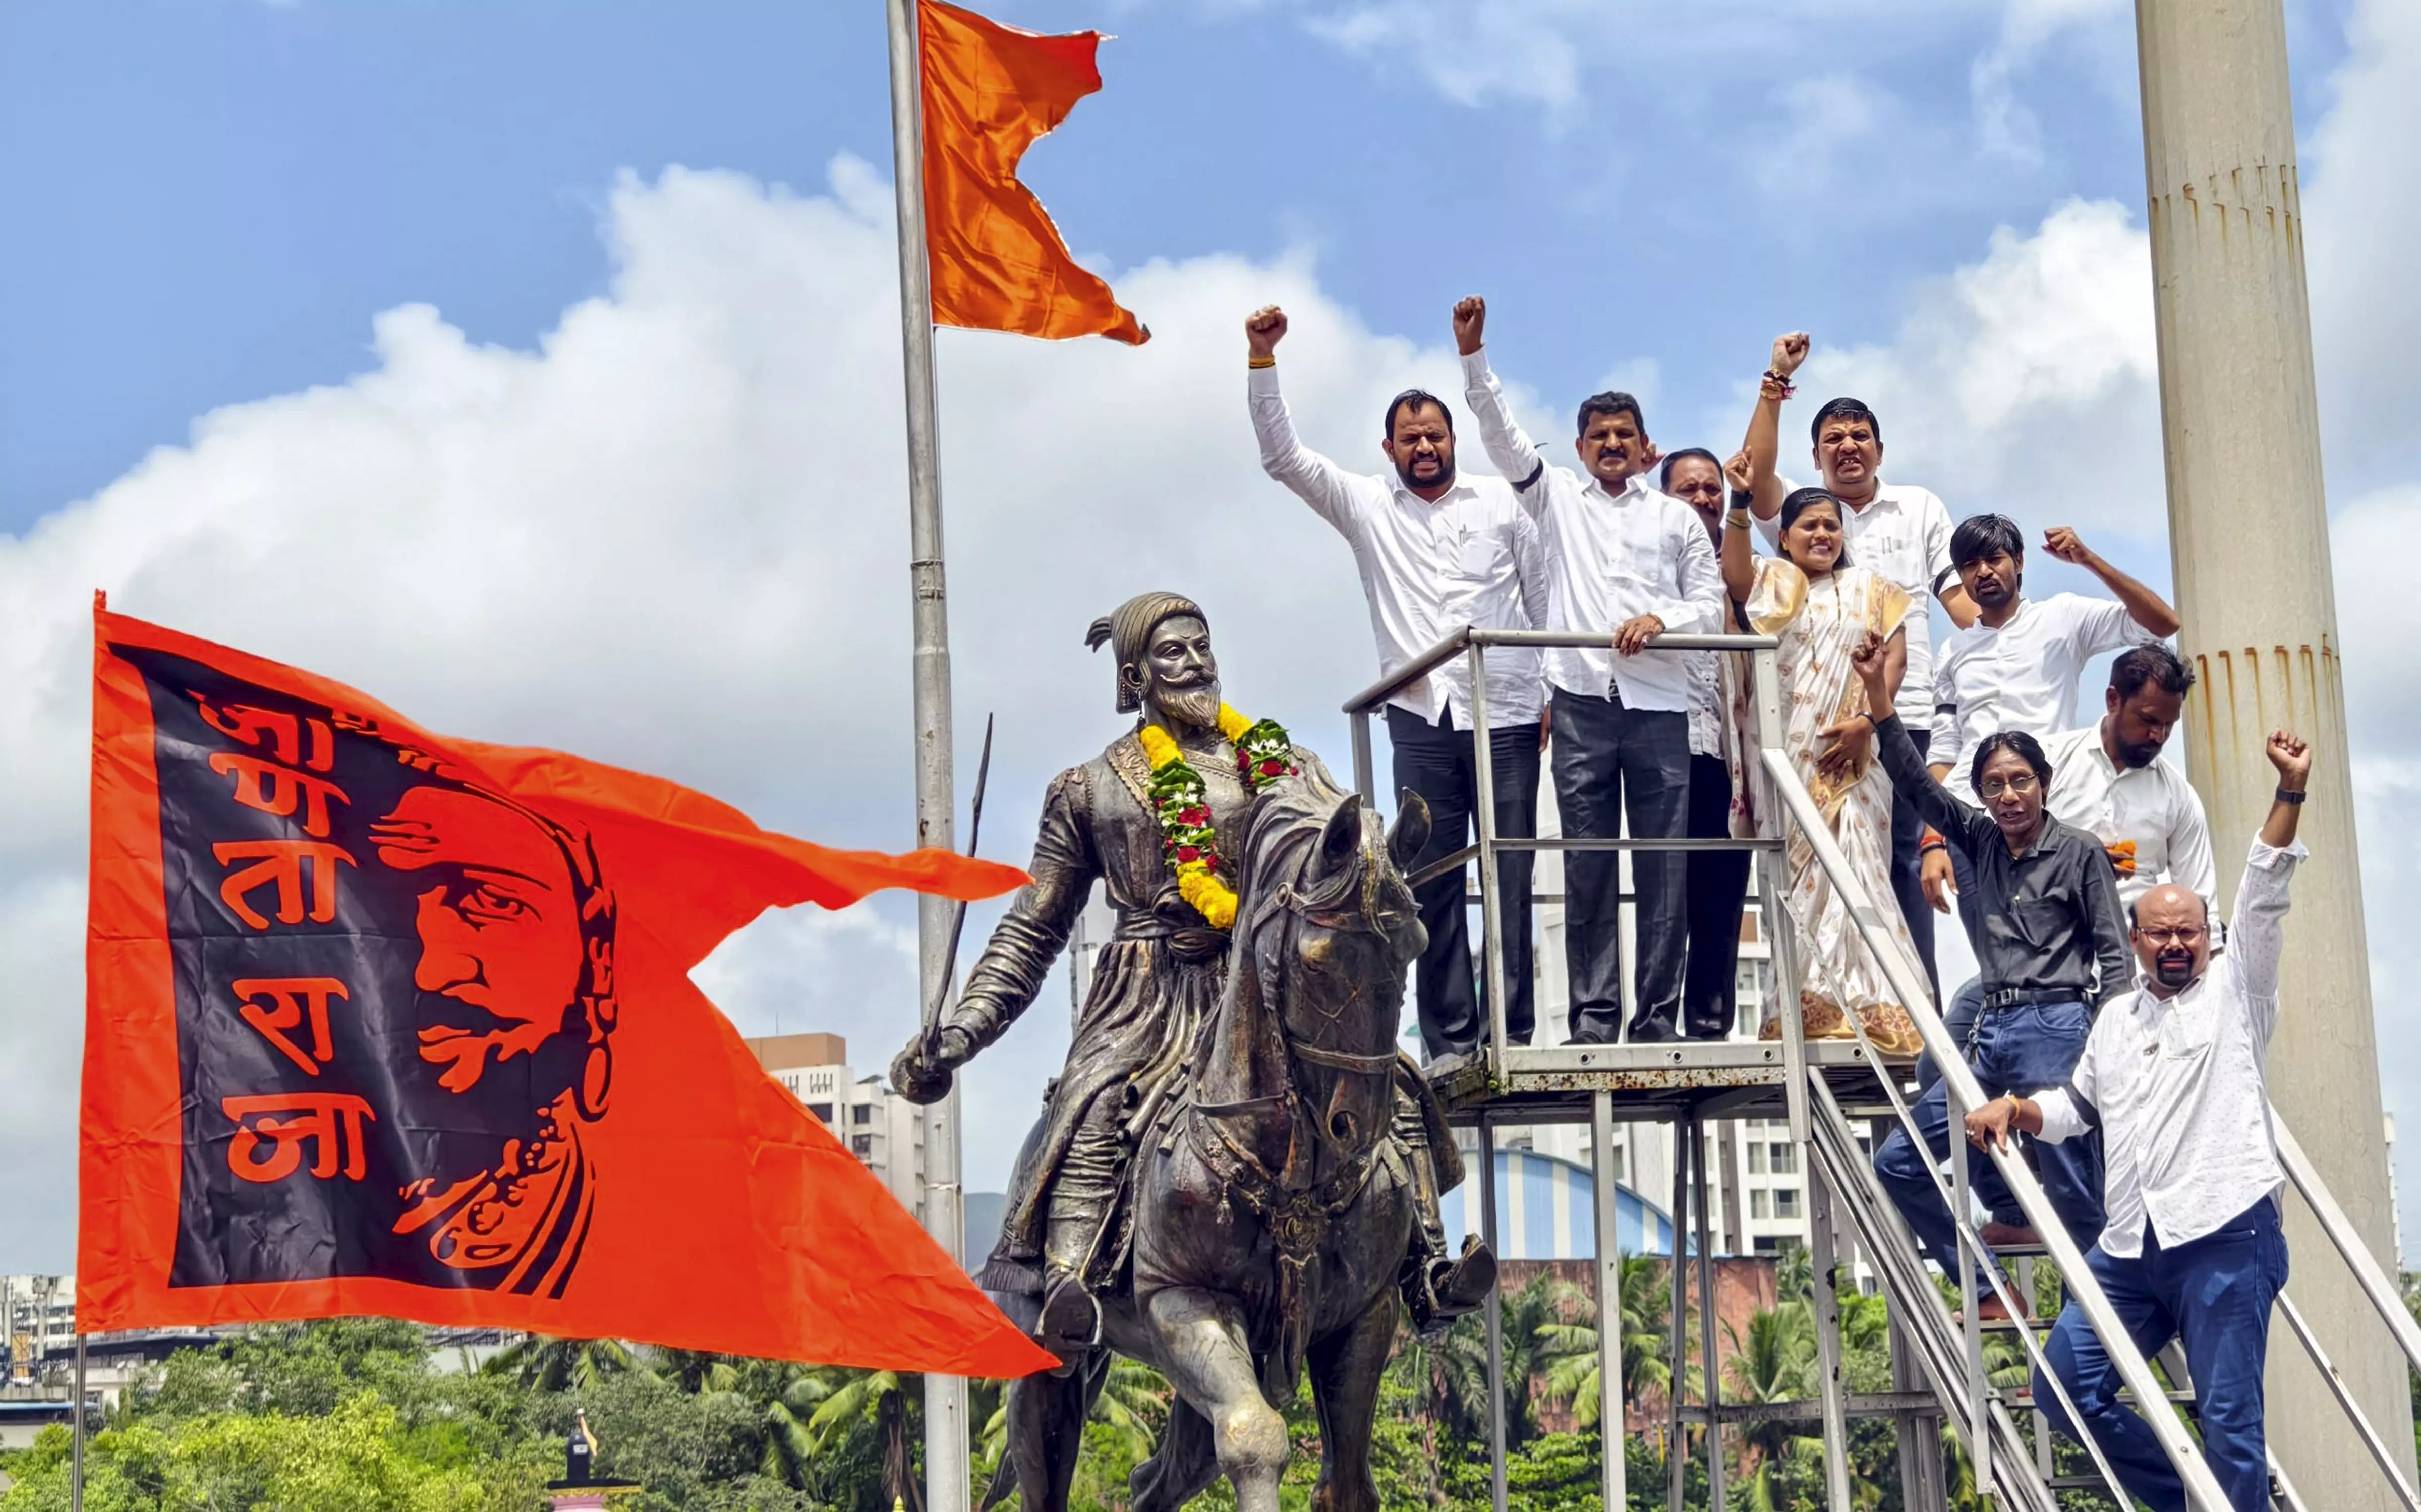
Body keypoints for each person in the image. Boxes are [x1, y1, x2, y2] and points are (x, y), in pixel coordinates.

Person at [886, 595, 1489, 1359]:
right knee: (1097, 1100)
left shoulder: (1287, 766)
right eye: (1174, 652)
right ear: (1134, 675)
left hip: (1268, 992)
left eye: (1203, 646)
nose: (1196, 662)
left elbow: (1345, 859)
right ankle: (1070, 1283)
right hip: (1154, 996)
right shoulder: (1091, 788)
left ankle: (1425, 1267)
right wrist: (961, 1032)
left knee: (1387, 1079)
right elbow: (1033, 927)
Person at [1966, 730, 2313, 1512]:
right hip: (2131, 1246)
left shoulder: (2238, 995)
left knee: (2230, 1420)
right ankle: (2181, 1496)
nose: (2176, 942)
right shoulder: (2116, 1019)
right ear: (2136, 941)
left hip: (2224, 1234)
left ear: (2207, 937)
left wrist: (2288, 792)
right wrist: (2020, 1108)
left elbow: (2262, 895)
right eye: (2160, 932)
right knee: (2062, 1388)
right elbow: (2078, 1109)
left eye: (2188, 930)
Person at [1244, 305, 1548, 1076]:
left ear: (1453, 441)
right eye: (1409, 438)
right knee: (1433, 878)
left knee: (1510, 869)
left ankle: (1512, 1030)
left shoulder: (1503, 503)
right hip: (1420, 716)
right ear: (1389, 448)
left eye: (1435, 436)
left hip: (1508, 710)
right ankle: (1450, 1041)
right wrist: (1262, 359)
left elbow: (1543, 596)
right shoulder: (1367, 506)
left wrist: (1551, 691)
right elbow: (1283, 458)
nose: (1424, 447)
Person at [1455, 295, 1725, 1044]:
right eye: (1598, 435)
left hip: (1659, 705)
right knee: (1587, 865)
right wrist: (1474, 358)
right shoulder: (1556, 504)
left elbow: (1708, 604)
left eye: (1624, 435)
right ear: (1579, 447)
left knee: (1663, 867)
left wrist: (1660, 620)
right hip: (1579, 703)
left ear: (1646, 447)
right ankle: (1594, 1017)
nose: (1611, 444)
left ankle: (1655, 1017)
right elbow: (1503, 438)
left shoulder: (1674, 517)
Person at [1856, 634, 2131, 1315]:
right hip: (1991, 1028)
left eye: (2020, 780)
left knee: (2074, 1192)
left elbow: (2117, 958)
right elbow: (1917, 785)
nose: (2009, 795)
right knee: (1898, 1163)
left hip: (2060, 1026)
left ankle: (2098, 1327)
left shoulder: (2078, 851)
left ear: (2044, 783)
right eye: (1994, 785)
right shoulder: (1978, 837)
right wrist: (1878, 699)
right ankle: (1986, 1286)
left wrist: (2115, 1044)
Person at [1739, 347, 1978, 1003]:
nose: (1847, 447)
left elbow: (1961, 604)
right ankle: (1829, 999)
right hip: (1813, 729)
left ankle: (1912, 1007)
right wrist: (1776, 383)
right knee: (1819, 859)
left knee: (1901, 860)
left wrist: (2011, 625)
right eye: (1832, 439)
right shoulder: (1800, 513)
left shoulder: (1919, 507)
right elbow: (1754, 478)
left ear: (1880, 447)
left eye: (1859, 436)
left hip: (1908, 715)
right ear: (1815, 458)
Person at [1916, 641, 2215, 1100]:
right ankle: (2001, 1169)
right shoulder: (2051, 763)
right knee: (1937, 1066)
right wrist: (1935, 840)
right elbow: (1955, 795)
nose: (2158, 736)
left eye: (2169, 726)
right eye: (2149, 720)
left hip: (2128, 981)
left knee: (2093, 1104)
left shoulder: (2178, 797)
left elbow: (2203, 906)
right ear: (2113, 700)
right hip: (2037, 966)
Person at [1717, 474, 1925, 1055]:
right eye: (1809, 524)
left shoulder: (1875, 589)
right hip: (1786, 753)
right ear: (1783, 537)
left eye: (1832, 525)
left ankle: (1878, 1002)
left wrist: (1865, 722)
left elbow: (1896, 660)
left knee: (1859, 870)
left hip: (1856, 755)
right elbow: (1734, 576)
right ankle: (1802, 1003)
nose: (1822, 533)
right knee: (1799, 877)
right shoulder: (1769, 583)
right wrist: (1738, 502)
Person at [1924, 517, 2181, 938]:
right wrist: (1934, 840)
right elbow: (1945, 753)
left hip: (2047, 810)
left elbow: (2162, 624)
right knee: (1994, 954)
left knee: (2059, 943)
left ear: (2019, 562)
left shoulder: (2063, 618)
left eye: (1994, 559)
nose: (1984, 572)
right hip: (1972, 818)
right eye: (1970, 565)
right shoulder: (1953, 651)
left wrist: (2089, 560)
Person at [1666, 447, 1752, 1040]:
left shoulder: (1743, 561)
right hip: (1662, 740)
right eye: (1687, 490)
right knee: (1667, 885)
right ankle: (1655, 1015)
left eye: (1710, 489)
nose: (1702, 499)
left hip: (1729, 747)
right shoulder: (1652, 555)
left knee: (1723, 884)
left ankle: (1710, 1017)